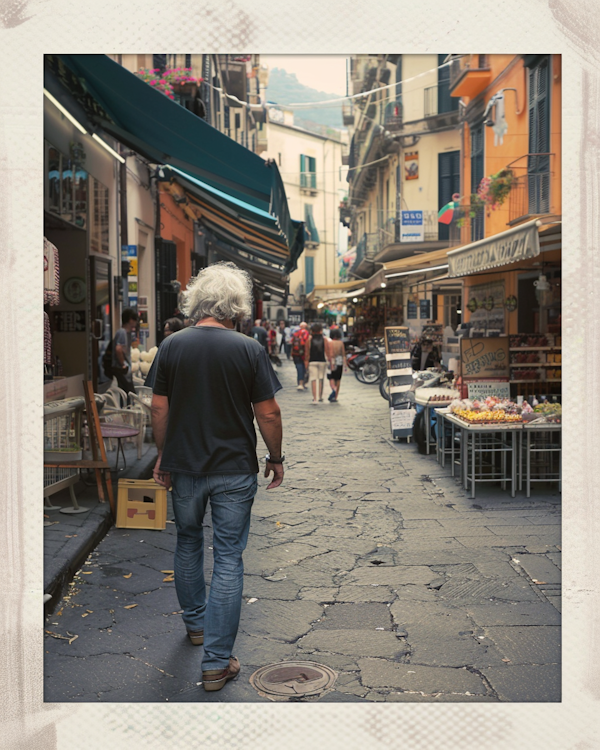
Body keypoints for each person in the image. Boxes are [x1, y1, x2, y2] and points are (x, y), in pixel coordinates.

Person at [151, 262, 284, 693]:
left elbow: (158, 408)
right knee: (228, 557)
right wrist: (276, 456)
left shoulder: (172, 345)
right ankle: (215, 664)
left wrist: (162, 455)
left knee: (188, 541)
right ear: (237, 306)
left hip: (185, 466)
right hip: (233, 468)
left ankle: (195, 626)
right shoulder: (249, 349)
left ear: (197, 301)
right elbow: (268, 412)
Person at [105, 308, 138, 394]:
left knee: (127, 394)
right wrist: (123, 364)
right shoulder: (122, 332)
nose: (135, 323)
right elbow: (118, 349)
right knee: (130, 394)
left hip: (123, 371)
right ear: (130, 319)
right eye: (135, 320)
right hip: (121, 370)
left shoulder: (124, 332)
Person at [305, 321, 332, 404]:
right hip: (322, 361)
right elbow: (327, 351)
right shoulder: (325, 339)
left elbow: (307, 353)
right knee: (321, 379)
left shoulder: (309, 340)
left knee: (313, 379)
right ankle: (320, 397)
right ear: (321, 330)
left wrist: (306, 363)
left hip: (312, 361)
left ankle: (314, 398)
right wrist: (330, 361)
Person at [327, 328, 347, 402]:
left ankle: (333, 389)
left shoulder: (330, 342)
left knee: (331, 377)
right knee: (338, 379)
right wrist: (345, 365)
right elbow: (343, 354)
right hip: (339, 361)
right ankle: (335, 397)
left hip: (331, 361)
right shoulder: (341, 343)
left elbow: (328, 353)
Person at [290, 321, 310, 390]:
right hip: (305, 354)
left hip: (296, 353)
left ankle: (300, 383)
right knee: (305, 368)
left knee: (299, 368)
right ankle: (303, 383)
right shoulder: (307, 333)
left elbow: (292, 342)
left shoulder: (295, 333)